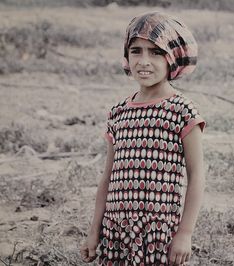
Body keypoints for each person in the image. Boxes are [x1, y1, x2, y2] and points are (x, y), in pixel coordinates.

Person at [79, 11, 206, 266]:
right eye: (136, 50)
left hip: (158, 233)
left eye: (156, 52)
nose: (144, 61)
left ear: (172, 57)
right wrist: (94, 230)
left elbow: (197, 176)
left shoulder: (181, 110)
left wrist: (185, 233)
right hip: (116, 231)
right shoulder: (119, 112)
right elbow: (108, 177)